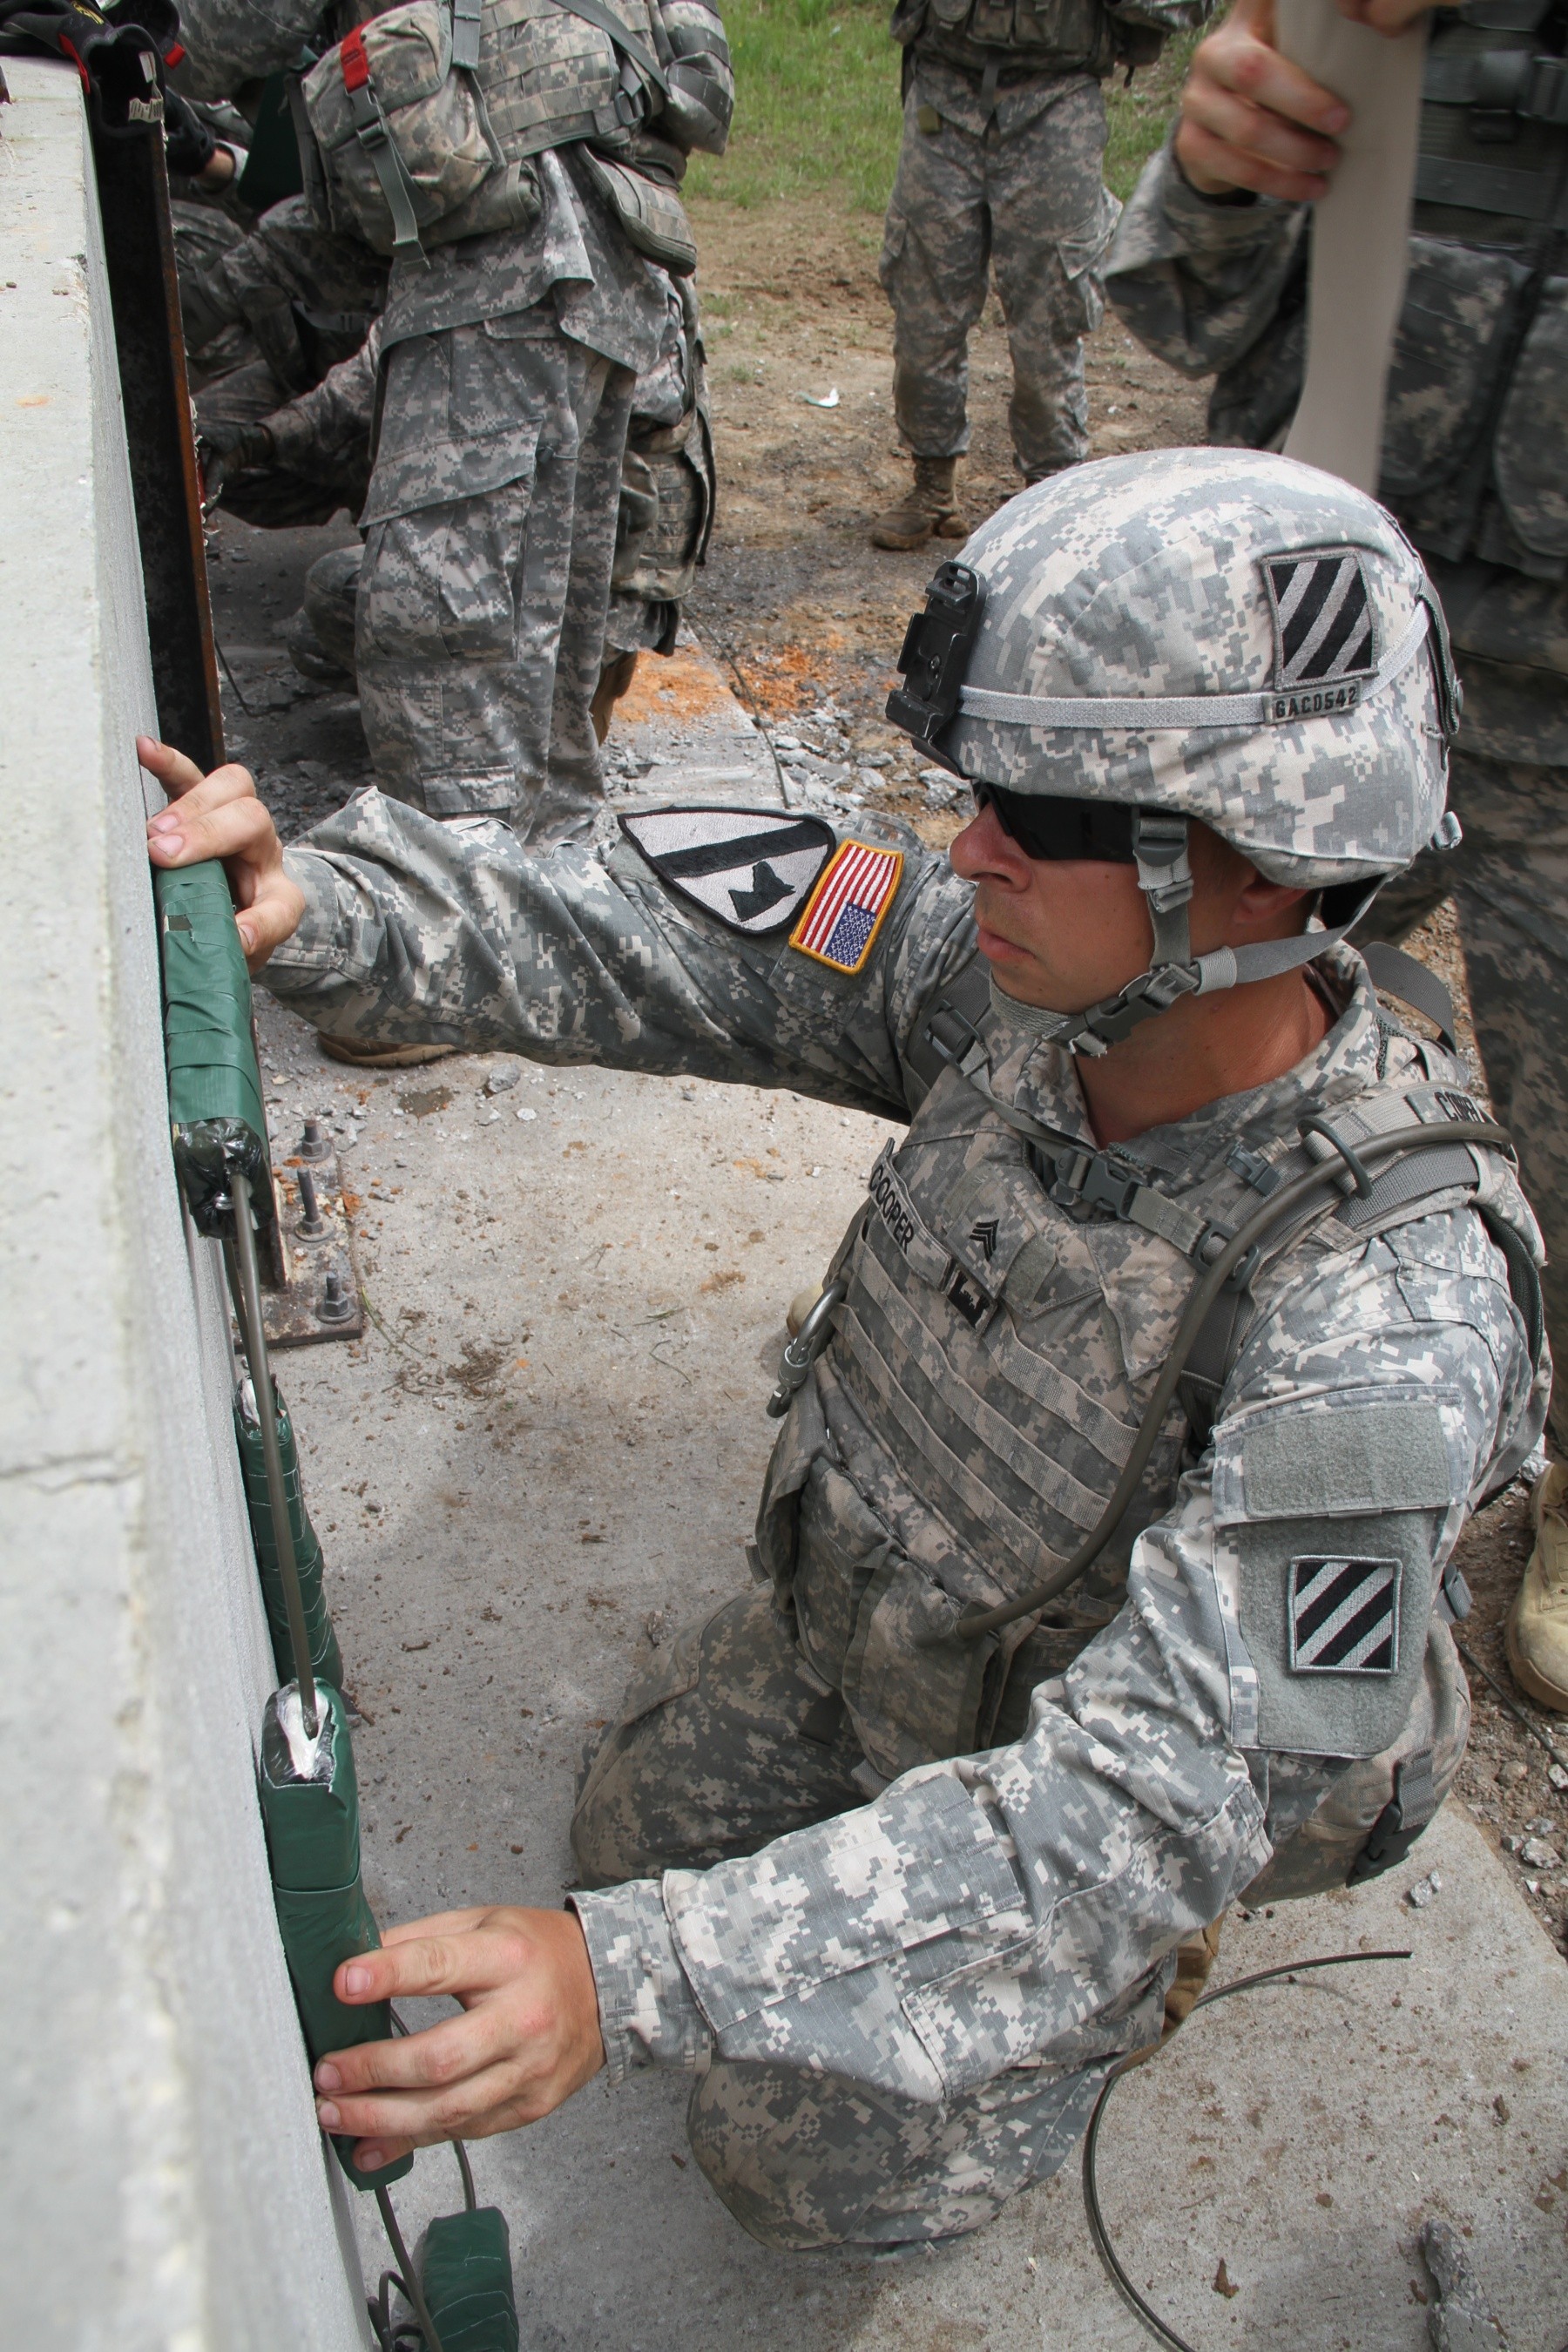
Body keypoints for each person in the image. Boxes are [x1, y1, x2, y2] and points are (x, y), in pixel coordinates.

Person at [146, 450, 1547, 2247]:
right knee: (628, 1830)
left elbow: (1152, 1790)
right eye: (978, 792)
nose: (970, 847)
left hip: (1106, 1751)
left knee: (799, 2159)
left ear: (1261, 869)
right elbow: (672, 934)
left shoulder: (1388, 1303)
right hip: (902, 1626)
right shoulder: (1014, 985)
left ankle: (1121, 1987)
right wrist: (332, 907)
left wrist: (635, 1977)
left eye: (1038, 810)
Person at [1103, 0, 1568, 1708]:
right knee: (1142, 1008)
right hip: (1313, 635)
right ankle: (1044, 1319)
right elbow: (1175, 301)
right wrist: (1219, 173)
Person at [867, 0, 1212, 551]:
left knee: (1049, 313)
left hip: (1057, 100)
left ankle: (1052, 493)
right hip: (943, 90)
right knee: (923, 301)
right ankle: (932, 486)